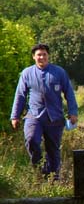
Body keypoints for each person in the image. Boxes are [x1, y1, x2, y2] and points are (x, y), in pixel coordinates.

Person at [10, 43, 78, 180]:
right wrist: (15, 116)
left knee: (53, 149)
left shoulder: (59, 72)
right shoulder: (27, 73)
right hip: (34, 116)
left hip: (55, 118)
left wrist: (73, 112)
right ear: (34, 57)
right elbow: (20, 95)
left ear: (48, 56)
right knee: (31, 139)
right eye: (39, 55)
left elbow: (69, 93)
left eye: (44, 54)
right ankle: (39, 167)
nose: (42, 57)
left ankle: (53, 177)